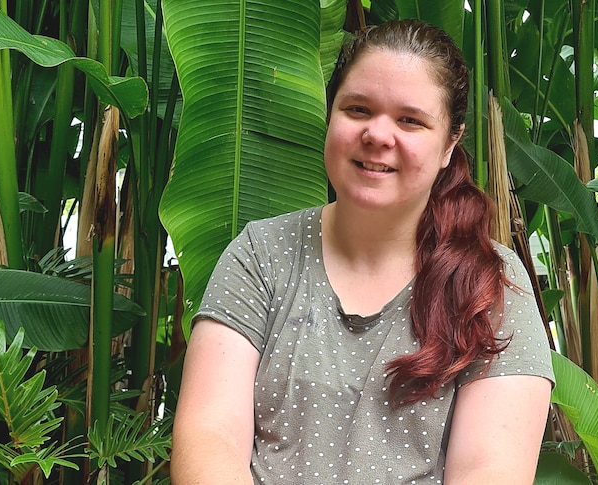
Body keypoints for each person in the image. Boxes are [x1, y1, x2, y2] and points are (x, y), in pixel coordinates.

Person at [171, 19, 554, 484]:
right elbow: (209, 438)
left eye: (410, 120)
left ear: (450, 143)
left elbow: (491, 470)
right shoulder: (262, 253)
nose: (378, 134)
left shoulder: (488, 281)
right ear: (331, 115)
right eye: (357, 109)